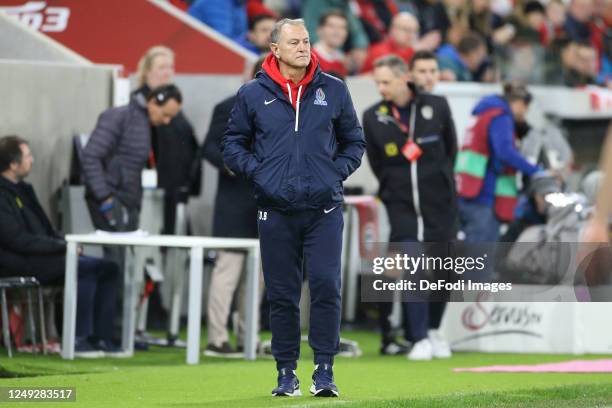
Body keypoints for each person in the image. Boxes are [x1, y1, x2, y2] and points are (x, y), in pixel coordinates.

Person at [223, 18, 365, 397]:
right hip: (275, 209)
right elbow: (232, 144)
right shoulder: (252, 94)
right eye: (295, 42)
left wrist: (333, 174)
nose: (304, 47)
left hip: (324, 209)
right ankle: (286, 372)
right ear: (275, 49)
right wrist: (260, 174)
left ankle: (324, 370)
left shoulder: (334, 89)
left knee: (325, 287)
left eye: (306, 41)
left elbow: (354, 142)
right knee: (282, 295)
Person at [362, 55, 457, 360]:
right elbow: (377, 162)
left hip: (437, 204)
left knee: (444, 269)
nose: (380, 88)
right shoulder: (373, 116)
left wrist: (440, 184)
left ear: (404, 78)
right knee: (413, 265)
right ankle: (417, 338)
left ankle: (431, 329)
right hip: (401, 206)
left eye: (385, 81)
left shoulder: (436, 106)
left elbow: (450, 150)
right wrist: (394, 189)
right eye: (377, 82)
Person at [0, 136, 119, 356]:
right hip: (16, 262)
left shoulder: (25, 189)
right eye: (28, 156)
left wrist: (65, 242)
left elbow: (46, 229)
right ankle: (78, 338)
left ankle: (102, 338)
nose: (33, 160)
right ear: (13, 163)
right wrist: (62, 248)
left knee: (109, 268)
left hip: (42, 256)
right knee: (83, 268)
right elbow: (16, 239)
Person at [201, 57, 265, 357]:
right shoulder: (229, 106)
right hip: (234, 204)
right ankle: (216, 338)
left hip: (267, 206)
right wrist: (236, 165)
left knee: (258, 278)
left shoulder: (285, 110)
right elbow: (210, 147)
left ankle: (248, 338)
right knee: (228, 273)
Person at [81, 85, 183, 272]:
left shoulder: (143, 123)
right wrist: (105, 198)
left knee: (123, 269)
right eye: (166, 114)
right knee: (115, 267)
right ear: (153, 102)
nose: (167, 121)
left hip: (126, 204)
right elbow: (90, 156)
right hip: (111, 201)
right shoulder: (119, 117)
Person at [455, 81, 541, 243]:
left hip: (468, 190)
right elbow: (505, 152)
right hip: (484, 195)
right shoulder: (501, 116)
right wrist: (535, 170)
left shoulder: (483, 113)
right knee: (481, 259)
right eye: (526, 109)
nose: (524, 114)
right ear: (520, 104)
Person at [133, 47, 201, 236]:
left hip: (176, 188)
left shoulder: (174, 103)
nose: (167, 72)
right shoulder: (139, 102)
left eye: (170, 67)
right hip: (153, 191)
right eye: (161, 67)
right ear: (147, 71)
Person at [312, 10, 350, 78]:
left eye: (342, 27)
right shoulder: (309, 59)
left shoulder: (342, 61)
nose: (337, 31)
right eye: (331, 26)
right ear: (319, 30)